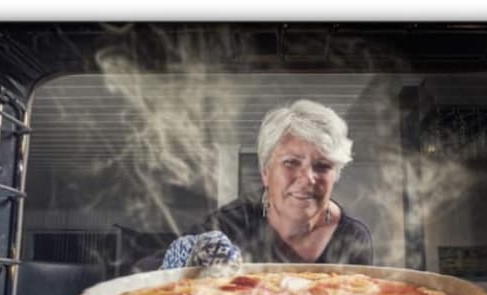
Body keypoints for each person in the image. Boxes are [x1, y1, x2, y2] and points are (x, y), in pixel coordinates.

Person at [139, 99, 373, 271]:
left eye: (322, 165)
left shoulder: (353, 236)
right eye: (291, 162)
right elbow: (146, 273)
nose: (307, 178)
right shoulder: (231, 225)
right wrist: (185, 259)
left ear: (336, 174)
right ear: (265, 172)